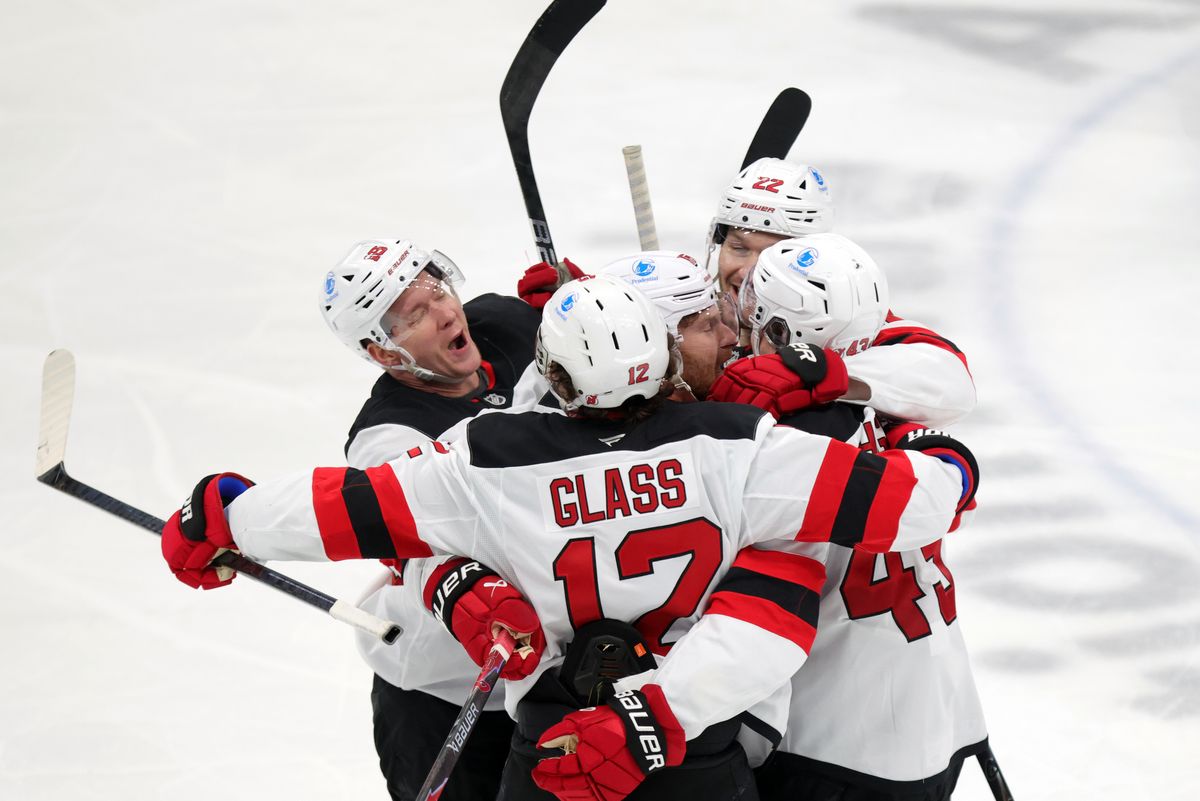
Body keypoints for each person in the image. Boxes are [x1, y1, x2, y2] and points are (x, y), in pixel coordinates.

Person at [160, 275, 977, 801]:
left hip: (551, 753)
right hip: (695, 755)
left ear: (548, 375)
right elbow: (911, 505)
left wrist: (225, 515)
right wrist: (945, 456)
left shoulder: (486, 461)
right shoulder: (740, 446)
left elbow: (347, 509)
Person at [730, 234, 988, 800]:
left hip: (830, 745)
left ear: (781, 333)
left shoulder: (773, 448)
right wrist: (946, 456)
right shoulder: (890, 410)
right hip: (931, 720)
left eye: (754, 309)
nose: (738, 321)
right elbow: (950, 482)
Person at [319, 237, 552, 800]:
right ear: (383, 352)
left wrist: (585, 312)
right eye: (415, 314)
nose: (446, 312)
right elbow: (451, 536)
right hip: (443, 691)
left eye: (438, 291)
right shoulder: (387, 436)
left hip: (548, 679)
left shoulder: (508, 324)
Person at [705, 157, 974, 428]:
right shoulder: (691, 319)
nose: (748, 273)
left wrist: (813, 371)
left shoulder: (846, 322)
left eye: (772, 255)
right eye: (738, 248)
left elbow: (952, 386)